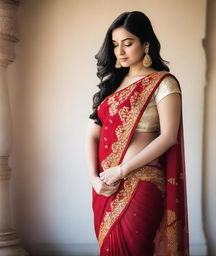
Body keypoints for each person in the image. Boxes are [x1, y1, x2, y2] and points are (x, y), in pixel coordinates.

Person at [85, 11, 189, 256]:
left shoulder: (163, 83)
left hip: (143, 182)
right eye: (114, 45)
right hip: (105, 186)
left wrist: (122, 170)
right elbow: (92, 134)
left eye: (128, 43)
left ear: (146, 44)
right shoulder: (111, 85)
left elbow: (168, 136)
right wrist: (94, 178)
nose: (119, 51)